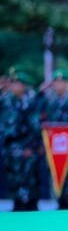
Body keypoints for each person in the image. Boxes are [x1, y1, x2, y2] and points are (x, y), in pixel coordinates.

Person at [36, 70, 68, 209]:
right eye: (56, 82)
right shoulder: (48, 100)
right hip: (53, 145)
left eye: (62, 82)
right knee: (55, 173)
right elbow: (35, 113)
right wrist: (40, 92)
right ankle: (59, 201)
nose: (59, 85)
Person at [1, 69, 40, 211]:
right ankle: (17, 206)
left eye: (17, 84)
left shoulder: (31, 101)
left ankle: (31, 206)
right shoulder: (5, 100)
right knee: (13, 178)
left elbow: (35, 127)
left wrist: (30, 147)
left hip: (27, 146)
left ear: (24, 86)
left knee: (29, 178)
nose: (14, 86)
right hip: (10, 147)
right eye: (12, 83)